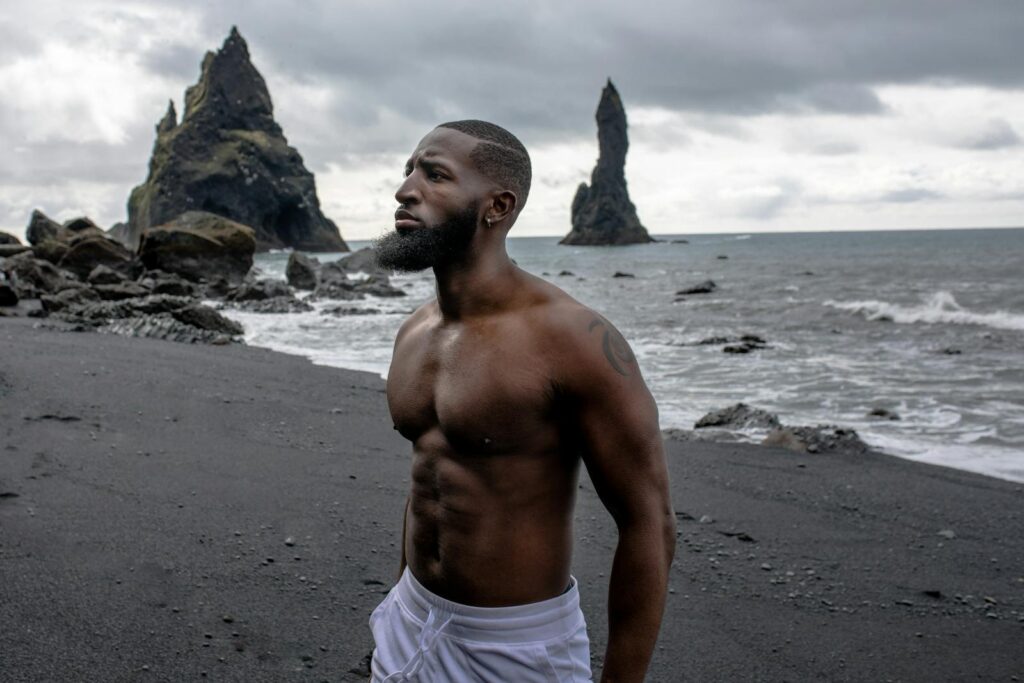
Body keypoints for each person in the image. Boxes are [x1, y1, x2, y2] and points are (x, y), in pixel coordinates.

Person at [369, 120, 676, 682]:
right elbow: (429, 479)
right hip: (408, 619)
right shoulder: (414, 332)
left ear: (497, 206)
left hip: (515, 647)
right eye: (408, 170)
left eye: (435, 174)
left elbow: (648, 523)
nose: (405, 189)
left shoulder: (574, 341)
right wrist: (398, 601)